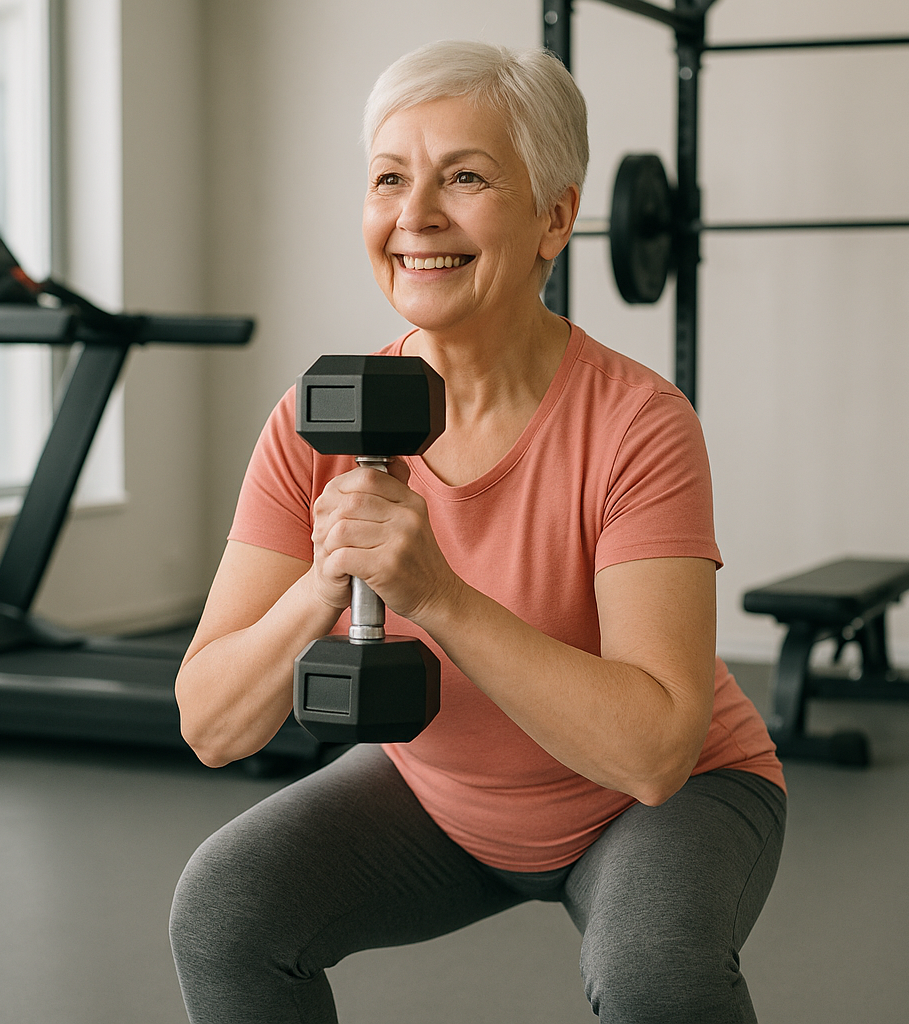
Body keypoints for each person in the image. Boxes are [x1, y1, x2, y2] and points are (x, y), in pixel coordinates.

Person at [169, 40, 786, 1024]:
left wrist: (437, 595)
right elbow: (209, 721)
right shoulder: (315, 418)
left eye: (463, 177)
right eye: (388, 178)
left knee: (652, 970)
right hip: (443, 798)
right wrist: (327, 581)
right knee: (224, 910)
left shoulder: (638, 424)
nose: (415, 215)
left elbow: (655, 753)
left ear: (555, 217)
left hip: (659, 803)